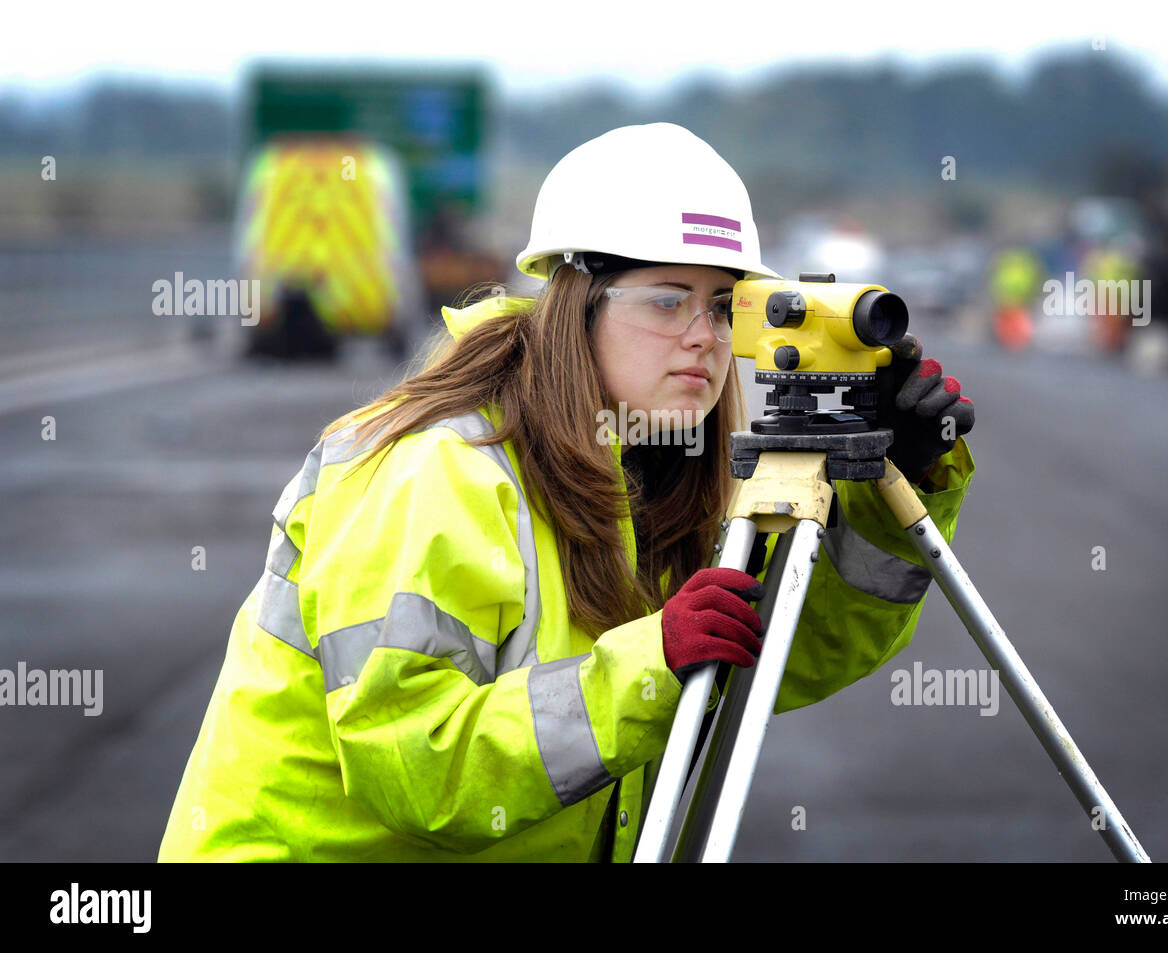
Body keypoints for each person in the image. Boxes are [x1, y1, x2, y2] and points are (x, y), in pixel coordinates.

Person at [158, 123, 975, 862]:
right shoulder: (439, 468)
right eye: (667, 300)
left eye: (724, 307)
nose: (704, 336)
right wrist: (653, 663)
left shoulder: (658, 472)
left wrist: (891, 486)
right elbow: (414, 764)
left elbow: (779, 655)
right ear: (577, 303)